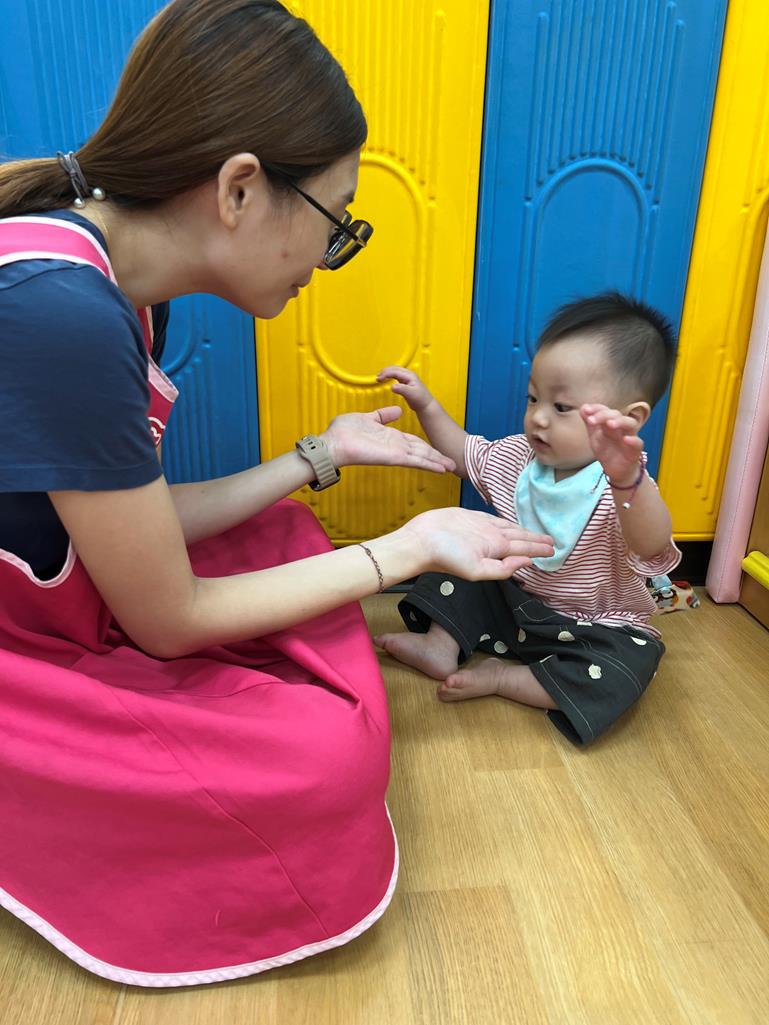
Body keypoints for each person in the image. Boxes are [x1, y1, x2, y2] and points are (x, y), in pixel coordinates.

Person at [0, 0, 553, 988]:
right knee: (319, 757)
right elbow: (168, 614)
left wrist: (315, 455)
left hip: (63, 589)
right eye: (336, 222)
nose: (328, 260)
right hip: (26, 637)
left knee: (288, 528)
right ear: (240, 189)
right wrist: (408, 547)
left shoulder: (119, 291)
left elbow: (118, 530)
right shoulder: (61, 314)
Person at [375, 293, 681, 746]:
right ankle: (441, 645)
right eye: (533, 397)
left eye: (561, 407)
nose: (537, 417)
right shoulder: (519, 458)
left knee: (629, 665)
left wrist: (629, 481)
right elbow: (463, 454)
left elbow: (650, 544)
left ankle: (505, 678)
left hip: (593, 627)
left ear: (629, 419)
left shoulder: (625, 487)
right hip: (514, 601)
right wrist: (426, 406)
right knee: (458, 553)